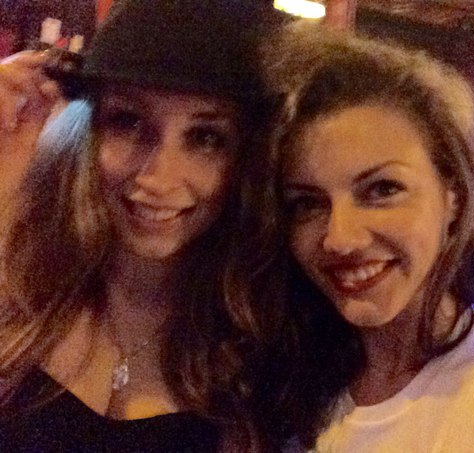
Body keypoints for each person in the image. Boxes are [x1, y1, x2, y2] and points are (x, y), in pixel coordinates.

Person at [0, 1, 328, 450]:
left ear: (250, 159)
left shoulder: (278, 352)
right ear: (89, 131)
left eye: (206, 137)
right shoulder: (17, 290)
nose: (157, 177)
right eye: (129, 122)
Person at [264, 26, 474, 452]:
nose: (340, 238)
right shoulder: (289, 383)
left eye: (382, 189)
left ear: (454, 198)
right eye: (307, 204)